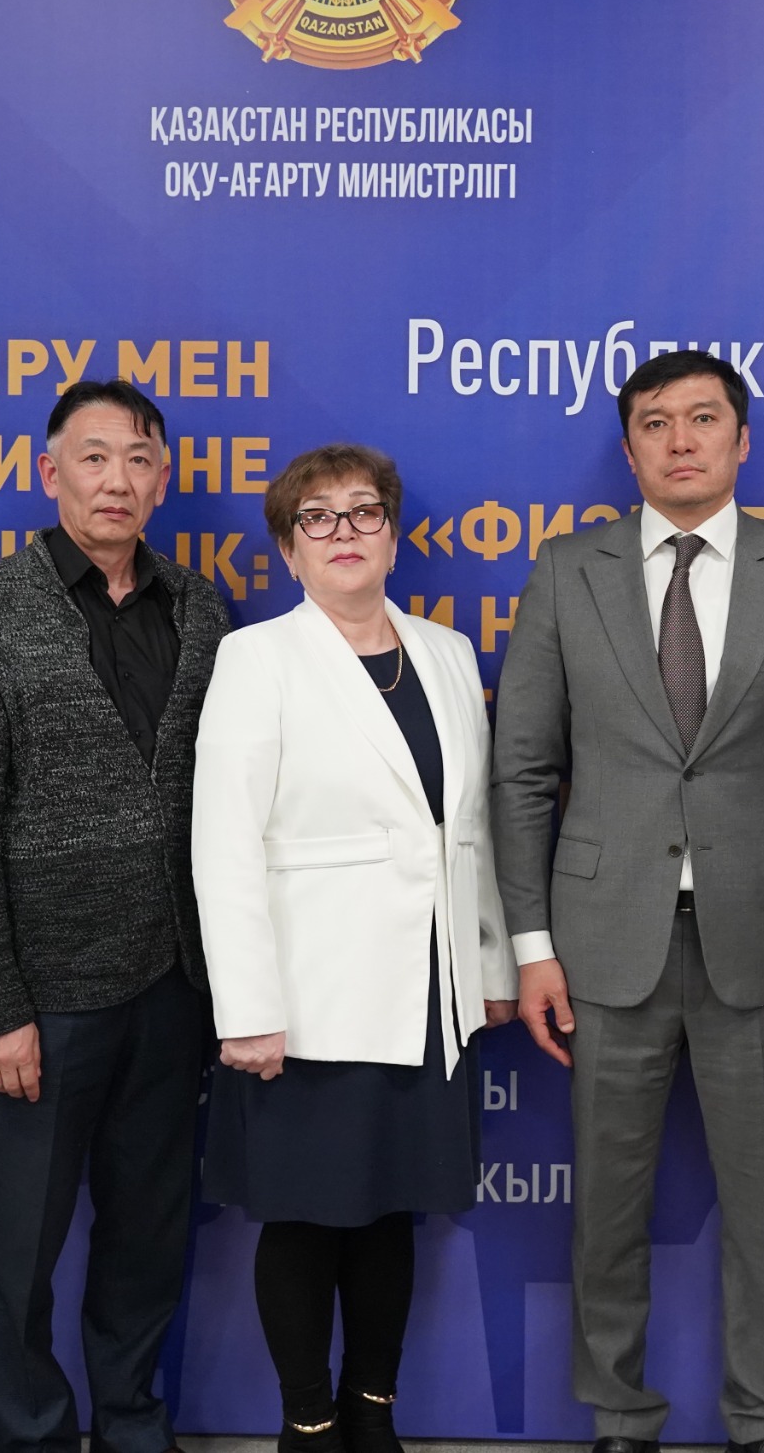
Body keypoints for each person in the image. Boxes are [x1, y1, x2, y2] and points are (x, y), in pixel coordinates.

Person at [489, 349, 764, 1453]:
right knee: (607, 1206)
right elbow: (522, 771)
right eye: (655, 423)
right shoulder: (567, 570)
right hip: (602, 943)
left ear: (741, 440)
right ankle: (621, 1416)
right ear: (629, 451)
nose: (680, 440)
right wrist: (532, 943)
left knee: (762, 1210)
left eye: (703, 418)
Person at [191, 444, 520, 1453]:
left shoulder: (446, 653)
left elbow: (469, 829)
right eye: (318, 516)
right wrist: (247, 1007)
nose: (344, 531)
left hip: (427, 995)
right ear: (289, 549)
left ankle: (373, 1411)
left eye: (364, 511)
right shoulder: (258, 658)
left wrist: (488, 965)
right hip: (309, 997)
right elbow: (223, 841)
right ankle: (308, 1419)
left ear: (392, 534)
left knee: (390, 1210)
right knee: (305, 1216)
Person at [0, 379, 231, 1453]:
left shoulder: (201, 608)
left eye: (139, 458)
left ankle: (133, 1421)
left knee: (149, 1234)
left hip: (176, 983)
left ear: (163, 479)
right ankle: (26, 1436)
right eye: (94, 457)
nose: (117, 479)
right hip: (44, 997)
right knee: (22, 1245)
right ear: (48, 472)